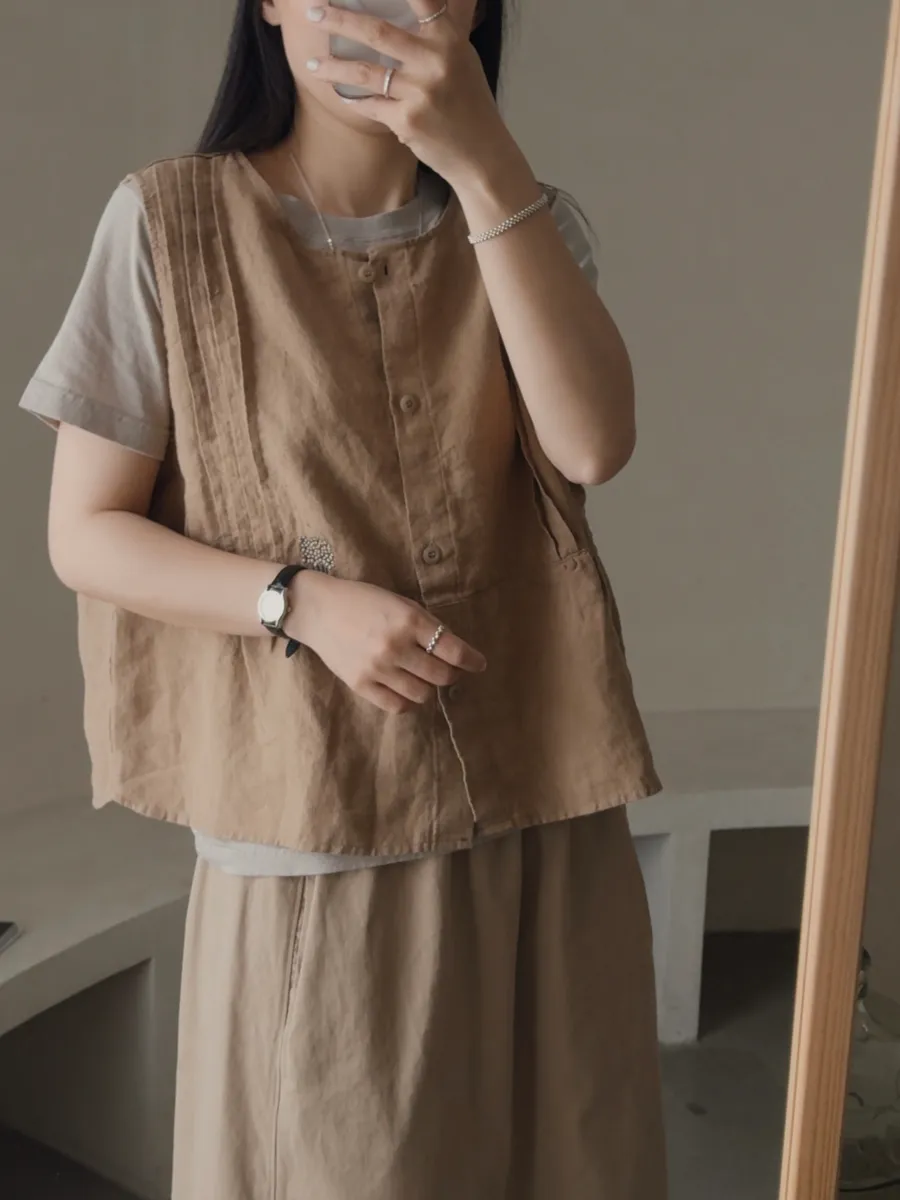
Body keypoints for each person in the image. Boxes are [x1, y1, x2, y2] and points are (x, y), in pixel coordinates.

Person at [21, 1, 668, 1196]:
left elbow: (591, 444)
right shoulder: (168, 225)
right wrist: (299, 602)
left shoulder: (523, 218)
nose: (384, 13)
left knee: (572, 1163)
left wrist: (486, 164)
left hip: (547, 798)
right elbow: (86, 534)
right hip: (317, 824)